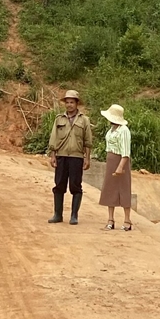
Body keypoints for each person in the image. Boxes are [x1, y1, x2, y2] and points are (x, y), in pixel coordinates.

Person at [46, 89, 92, 225]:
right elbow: (53, 139)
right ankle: (57, 214)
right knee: (59, 185)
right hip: (61, 156)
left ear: (77, 103)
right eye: (67, 102)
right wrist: (53, 155)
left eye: (72, 102)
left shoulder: (84, 120)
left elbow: (87, 141)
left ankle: (74, 215)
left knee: (75, 186)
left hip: (77, 157)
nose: (69, 105)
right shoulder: (59, 119)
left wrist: (87, 158)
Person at [98, 103, 133, 230]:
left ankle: (127, 220)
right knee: (109, 188)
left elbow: (126, 151)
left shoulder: (124, 130)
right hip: (111, 159)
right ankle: (110, 219)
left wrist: (120, 166)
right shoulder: (111, 130)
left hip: (120, 160)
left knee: (124, 188)